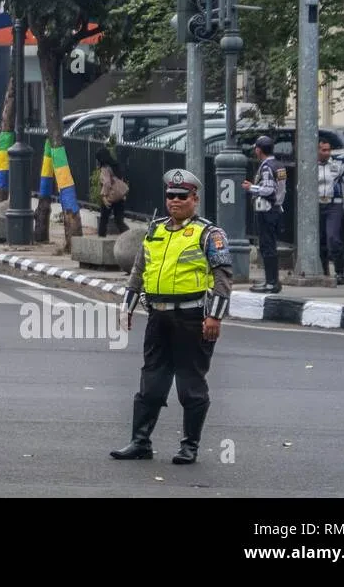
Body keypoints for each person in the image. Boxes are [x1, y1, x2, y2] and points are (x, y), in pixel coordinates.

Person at [111, 169, 231, 466]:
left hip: (193, 319)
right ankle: (140, 442)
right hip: (158, 317)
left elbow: (223, 278)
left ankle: (189, 446)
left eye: (182, 196)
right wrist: (127, 306)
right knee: (150, 383)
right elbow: (138, 272)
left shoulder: (209, 234)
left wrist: (214, 317)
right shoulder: (155, 230)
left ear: (195, 199)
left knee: (190, 386)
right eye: (170, 196)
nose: (175, 201)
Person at [242, 135, 286, 294]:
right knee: (270, 246)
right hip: (275, 209)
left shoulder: (267, 167)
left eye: (256, 148)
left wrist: (251, 188)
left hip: (267, 210)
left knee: (267, 246)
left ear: (259, 150)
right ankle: (271, 281)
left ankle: (271, 283)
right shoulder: (278, 165)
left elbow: (268, 190)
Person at [317, 137, 344, 284]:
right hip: (316, 205)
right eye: (323, 150)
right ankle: (323, 269)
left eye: (328, 150)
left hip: (334, 204)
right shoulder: (309, 166)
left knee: (333, 238)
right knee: (319, 240)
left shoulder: (338, 165)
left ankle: (340, 272)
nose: (327, 153)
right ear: (317, 150)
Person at [95, 148, 128, 238]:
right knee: (119, 220)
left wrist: (104, 196)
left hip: (109, 196)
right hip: (120, 197)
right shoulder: (116, 165)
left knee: (104, 219)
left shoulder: (105, 168)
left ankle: (101, 238)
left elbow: (107, 183)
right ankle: (128, 236)